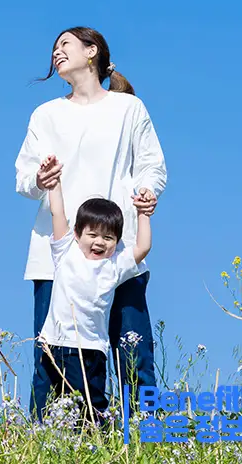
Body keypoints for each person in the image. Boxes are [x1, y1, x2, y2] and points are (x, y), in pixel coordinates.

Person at [14, 27, 167, 420]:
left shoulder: (128, 109)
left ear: (92, 51)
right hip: (57, 254)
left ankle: (146, 438)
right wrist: (39, 179)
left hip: (120, 249)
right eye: (53, 48)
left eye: (64, 44)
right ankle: (48, 440)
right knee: (51, 356)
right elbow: (23, 176)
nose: (56, 52)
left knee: (133, 351)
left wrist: (147, 190)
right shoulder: (46, 114)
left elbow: (152, 164)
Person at [37, 154, 152, 424]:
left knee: (91, 405)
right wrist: (54, 183)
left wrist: (143, 214)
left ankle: (96, 441)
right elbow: (57, 212)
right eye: (92, 234)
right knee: (50, 402)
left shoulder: (115, 267)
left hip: (91, 350)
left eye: (108, 237)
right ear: (77, 234)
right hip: (55, 343)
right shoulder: (65, 251)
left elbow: (143, 247)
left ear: (116, 242)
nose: (99, 242)